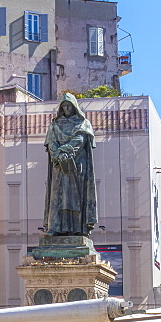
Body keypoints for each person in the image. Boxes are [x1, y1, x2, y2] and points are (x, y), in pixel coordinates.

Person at [43, 93, 97, 237]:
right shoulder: (55, 124)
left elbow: (80, 139)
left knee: (75, 196)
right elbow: (51, 142)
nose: (67, 108)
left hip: (77, 165)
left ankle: (78, 229)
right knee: (57, 197)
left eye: (69, 105)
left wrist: (65, 151)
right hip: (59, 165)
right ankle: (54, 227)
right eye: (64, 106)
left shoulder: (83, 123)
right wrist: (58, 155)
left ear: (74, 107)